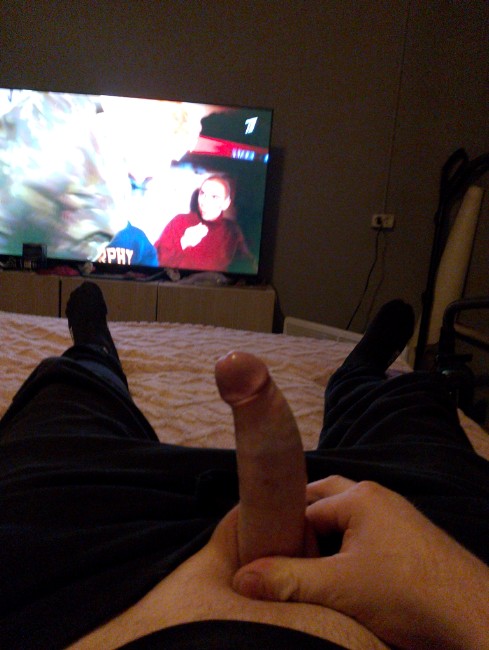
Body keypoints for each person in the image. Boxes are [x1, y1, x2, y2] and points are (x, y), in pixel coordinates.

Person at [0, 283, 488, 649]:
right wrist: (471, 602)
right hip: (401, 522)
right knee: (410, 412)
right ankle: (358, 376)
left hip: (69, 550)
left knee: (68, 393)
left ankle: (92, 347)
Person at [153, 175, 252, 272]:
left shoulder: (232, 231)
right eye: (202, 193)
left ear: (225, 204)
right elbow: (154, 262)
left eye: (214, 197)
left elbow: (247, 266)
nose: (204, 202)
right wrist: (183, 243)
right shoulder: (179, 221)